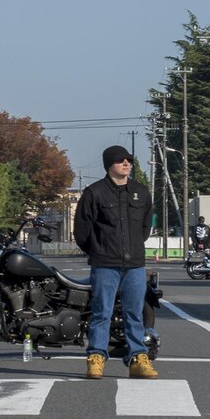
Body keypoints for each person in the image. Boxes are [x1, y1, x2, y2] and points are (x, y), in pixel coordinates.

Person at [74, 144, 157, 380]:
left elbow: (145, 228)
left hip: (135, 265)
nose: (126, 163)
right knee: (102, 312)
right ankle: (96, 357)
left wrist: (133, 247)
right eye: (121, 160)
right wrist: (99, 250)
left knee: (134, 313)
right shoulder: (94, 193)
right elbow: (82, 231)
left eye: (128, 160)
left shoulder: (141, 192)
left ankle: (138, 359)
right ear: (109, 164)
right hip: (104, 264)